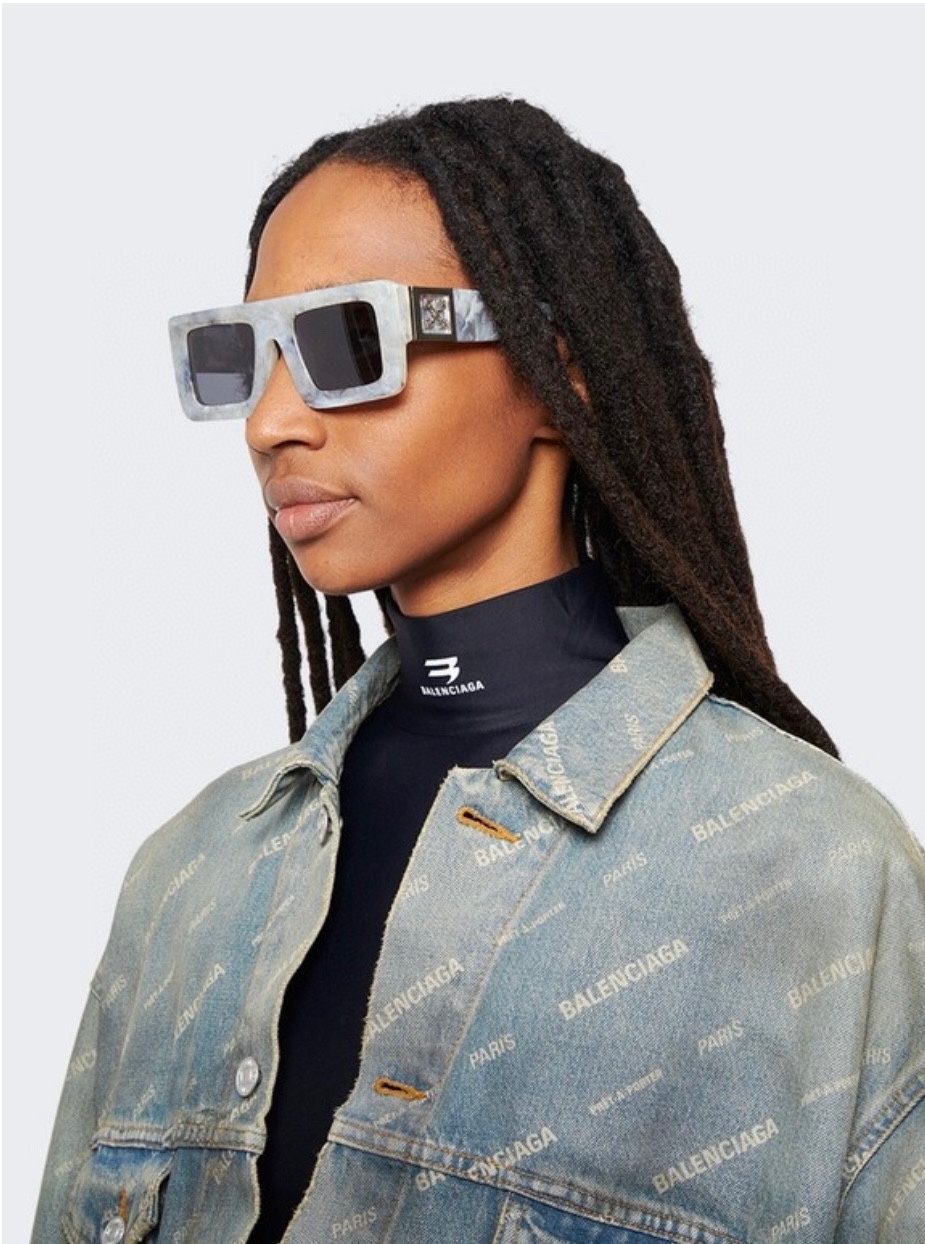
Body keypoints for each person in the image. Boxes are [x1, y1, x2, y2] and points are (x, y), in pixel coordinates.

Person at [33, 99, 924, 1244]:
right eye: (245, 356)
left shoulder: (820, 877)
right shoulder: (189, 872)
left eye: (345, 341)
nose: (269, 422)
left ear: (559, 372)